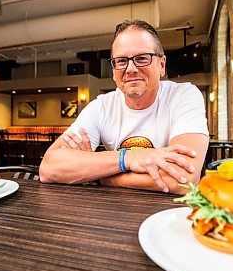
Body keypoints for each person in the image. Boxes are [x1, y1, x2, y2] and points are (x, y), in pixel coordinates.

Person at [39, 20, 209, 194]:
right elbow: (49, 167)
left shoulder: (183, 95)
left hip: (169, 216)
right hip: (115, 213)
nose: (131, 69)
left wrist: (98, 176)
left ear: (162, 65)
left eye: (142, 58)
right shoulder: (101, 107)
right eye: (121, 61)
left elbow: (182, 179)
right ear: (113, 71)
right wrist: (127, 158)